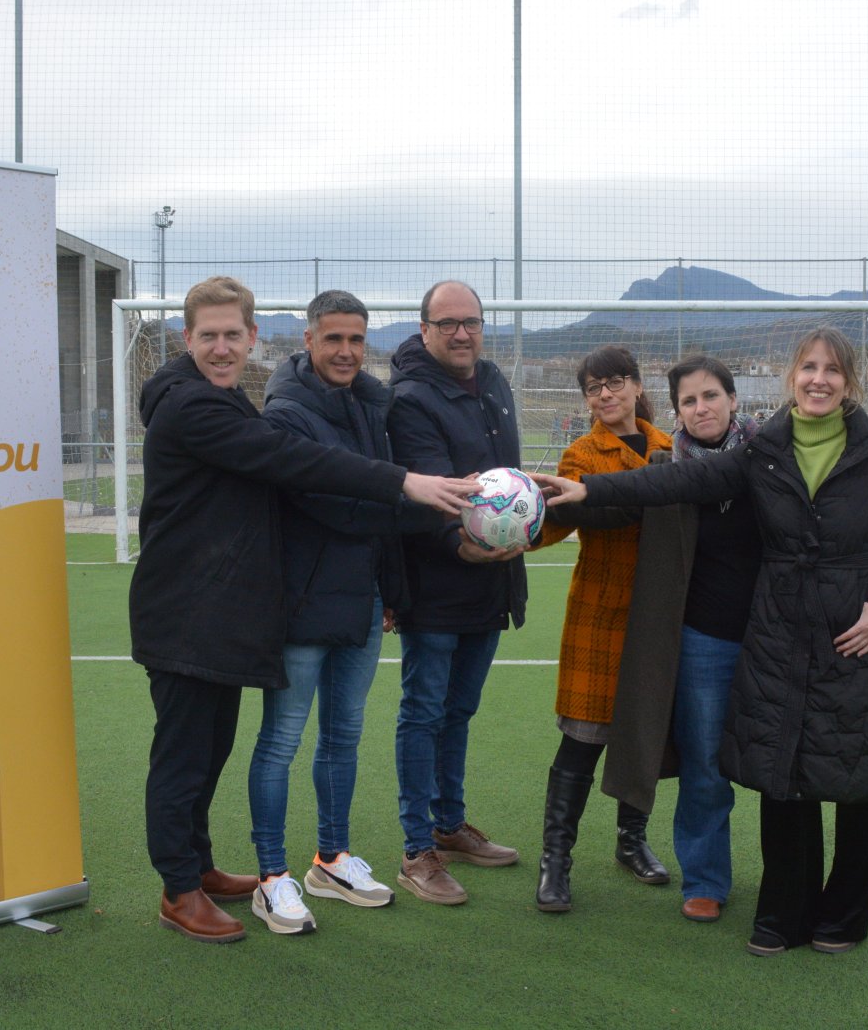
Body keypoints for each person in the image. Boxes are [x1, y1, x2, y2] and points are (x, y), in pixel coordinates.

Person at [534, 326, 868, 956]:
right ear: (791, 377)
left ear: (849, 381)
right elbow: (673, 484)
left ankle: (843, 916)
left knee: (861, 775)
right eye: (809, 367)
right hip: (776, 635)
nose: (819, 379)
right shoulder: (765, 452)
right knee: (784, 773)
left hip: (852, 637)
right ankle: (781, 908)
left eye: (832, 369)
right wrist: (589, 488)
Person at [130, 276, 478, 944]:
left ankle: (198, 868)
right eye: (210, 336)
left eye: (234, 335)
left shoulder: (223, 397)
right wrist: (406, 482)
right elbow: (293, 458)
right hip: (182, 613)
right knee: (182, 758)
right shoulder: (191, 407)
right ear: (187, 339)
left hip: (219, 611)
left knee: (210, 750)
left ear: (253, 337)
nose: (223, 347)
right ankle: (178, 891)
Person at [245, 290, 435, 935]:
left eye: (356, 339)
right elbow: (340, 506)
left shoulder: (369, 406)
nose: (347, 351)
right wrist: (424, 499)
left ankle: (331, 859)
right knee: (281, 742)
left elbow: (374, 521)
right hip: (303, 604)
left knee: (344, 736)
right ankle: (271, 877)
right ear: (308, 341)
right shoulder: (286, 412)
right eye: (334, 339)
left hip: (362, 601)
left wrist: (390, 591)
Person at [593, 355, 763, 925]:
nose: (701, 408)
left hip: (774, 637)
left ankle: (791, 880)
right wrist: (568, 497)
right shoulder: (668, 469)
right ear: (676, 412)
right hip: (704, 642)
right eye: (688, 401)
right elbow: (622, 499)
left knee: (785, 763)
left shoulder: (770, 461)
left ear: (733, 400)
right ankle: (706, 879)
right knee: (705, 767)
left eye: (711, 396)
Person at [386, 279, 525, 905]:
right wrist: (458, 544)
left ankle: (449, 822)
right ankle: (418, 850)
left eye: (470, 322)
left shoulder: (493, 382)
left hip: (491, 581)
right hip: (437, 584)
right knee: (424, 713)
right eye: (447, 324)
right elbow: (423, 492)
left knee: (459, 711)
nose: (461, 333)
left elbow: (502, 483)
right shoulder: (410, 398)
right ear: (424, 331)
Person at [526, 345, 675, 913]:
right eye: (594, 387)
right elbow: (565, 518)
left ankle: (631, 842)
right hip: (600, 612)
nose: (606, 394)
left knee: (644, 735)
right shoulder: (580, 454)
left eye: (615, 383)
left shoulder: (670, 448)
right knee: (581, 742)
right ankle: (555, 861)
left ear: (637, 386)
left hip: (658, 616)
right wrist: (517, 528)